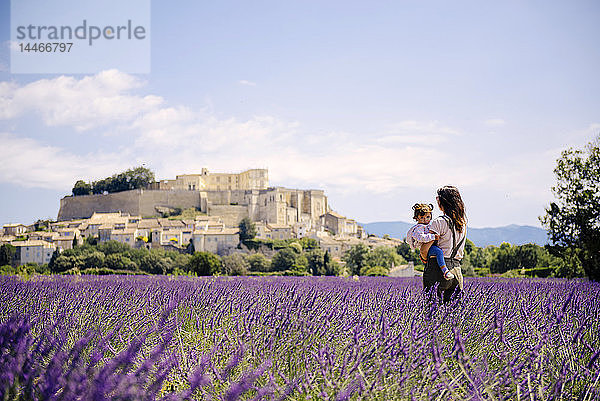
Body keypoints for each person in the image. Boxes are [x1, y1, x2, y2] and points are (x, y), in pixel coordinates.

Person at [422, 186, 467, 303]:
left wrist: (423, 256)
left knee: (432, 311)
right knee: (455, 314)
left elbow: (424, 249)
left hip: (438, 269)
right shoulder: (462, 223)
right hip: (457, 271)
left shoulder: (439, 222)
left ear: (442, 202)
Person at [406, 203, 455, 280]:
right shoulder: (418, 228)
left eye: (428, 217)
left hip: (431, 247)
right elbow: (420, 237)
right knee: (438, 252)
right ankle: (445, 271)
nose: (425, 219)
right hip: (427, 248)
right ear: (416, 218)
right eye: (422, 217)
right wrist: (433, 237)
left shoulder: (429, 225)